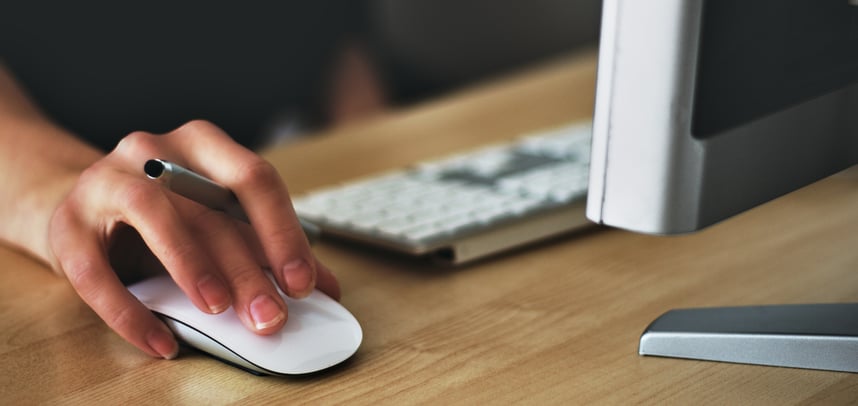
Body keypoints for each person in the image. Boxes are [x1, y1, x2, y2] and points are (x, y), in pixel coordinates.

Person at [0, 1, 600, 361]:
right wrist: (66, 194)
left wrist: (386, 189)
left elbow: (337, 42)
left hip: (268, 177)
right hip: (72, 158)